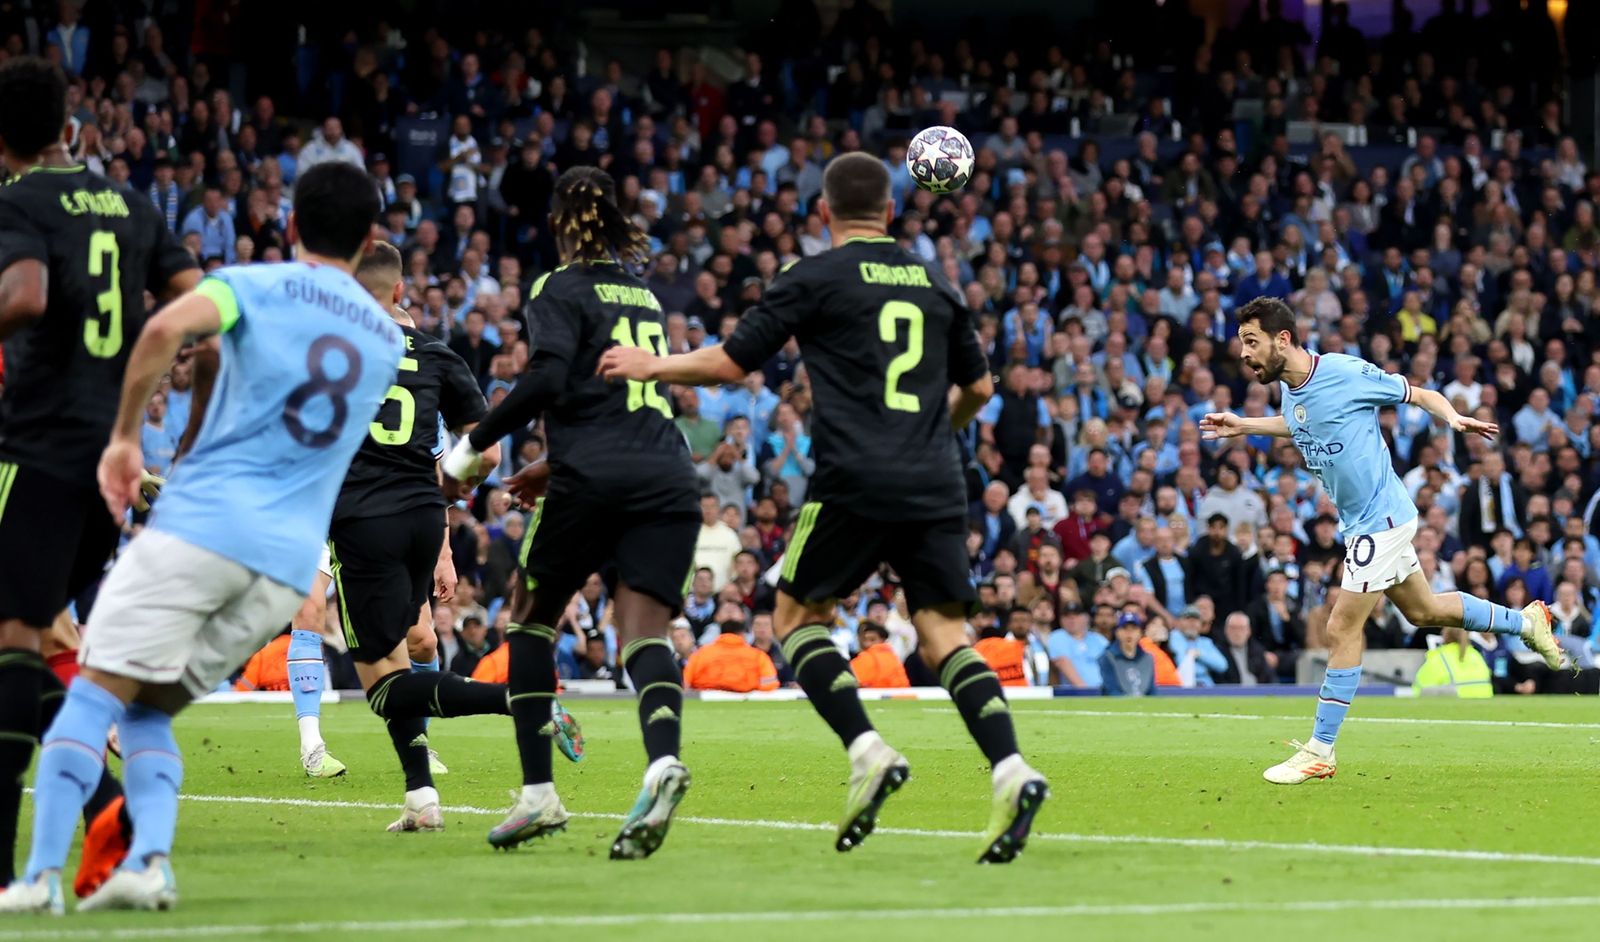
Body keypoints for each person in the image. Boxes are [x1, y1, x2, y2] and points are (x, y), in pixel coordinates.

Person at [598, 151, 1047, 863]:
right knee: (943, 638)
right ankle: (1010, 767)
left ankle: (867, 750)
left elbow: (732, 363)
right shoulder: (937, 281)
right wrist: (931, 432)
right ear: (892, 212)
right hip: (934, 482)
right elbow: (982, 389)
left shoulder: (814, 275)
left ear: (822, 212)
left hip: (854, 480)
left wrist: (650, 363)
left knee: (796, 617)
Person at [3, 160, 408, 915]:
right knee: (148, 710)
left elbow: (164, 327)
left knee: (92, 691)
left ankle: (34, 878)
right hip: (286, 569)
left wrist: (126, 439)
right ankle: (150, 862)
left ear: (290, 225)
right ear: (371, 239)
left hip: (204, 529)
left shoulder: (255, 284)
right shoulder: (385, 340)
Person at [441, 166, 701, 860]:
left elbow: (552, 376)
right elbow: (629, 401)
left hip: (596, 477)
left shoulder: (558, 287)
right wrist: (548, 467)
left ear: (558, 222)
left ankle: (538, 796)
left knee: (528, 616)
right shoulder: (642, 295)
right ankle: (661, 762)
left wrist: (474, 444)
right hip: (668, 474)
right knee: (644, 632)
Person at [1202, 297, 1563, 786]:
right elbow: (1301, 424)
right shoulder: (1291, 387)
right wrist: (1245, 426)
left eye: (1251, 341)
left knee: (1340, 628)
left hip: (1383, 519)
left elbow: (1416, 393)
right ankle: (1526, 621)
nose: (1243, 353)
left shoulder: (1346, 373)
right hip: (1362, 522)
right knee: (1426, 610)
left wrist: (1452, 418)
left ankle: (1320, 750)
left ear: (1281, 339)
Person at [0, 57, 198, 909]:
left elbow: (26, 295)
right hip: (110, 466)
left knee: (14, 640)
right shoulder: (134, 203)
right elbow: (196, 301)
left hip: (36, 453)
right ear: (67, 121)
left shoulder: (18, 204)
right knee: (42, 636)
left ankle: (22, 867)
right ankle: (111, 805)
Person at [683, 605, 779, 693]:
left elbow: (685, 683)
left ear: (720, 633)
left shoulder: (700, 654)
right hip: (746, 702)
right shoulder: (758, 656)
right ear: (742, 634)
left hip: (705, 702)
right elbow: (770, 685)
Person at [1098, 612, 1156, 696]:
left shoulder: (1147, 658)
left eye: (1134, 628)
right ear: (1117, 632)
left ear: (1140, 633)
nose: (1129, 633)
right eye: (1125, 628)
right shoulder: (1108, 657)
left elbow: (1152, 690)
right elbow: (1112, 690)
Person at [851, 622, 909, 688]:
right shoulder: (893, 658)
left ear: (882, 640)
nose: (867, 643)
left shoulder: (866, 658)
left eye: (872, 639)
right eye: (865, 639)